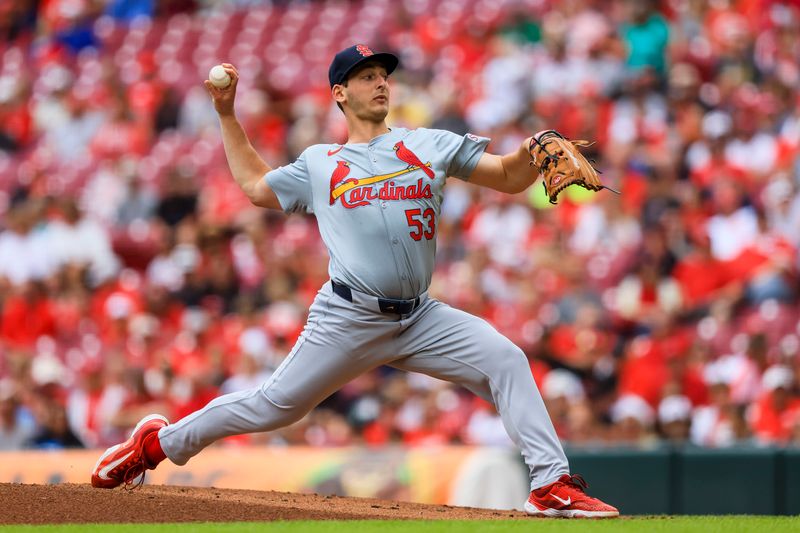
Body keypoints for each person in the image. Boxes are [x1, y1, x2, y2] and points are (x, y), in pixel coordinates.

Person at [90, 44, 619, 518]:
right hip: (349, 314)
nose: (381, 82)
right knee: (276, 406)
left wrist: (533, 152)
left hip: (420, 315)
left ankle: (550, 484)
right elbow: (254, 185)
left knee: (506, 359)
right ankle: (154, 446)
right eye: (366, 76)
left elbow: (506, 175)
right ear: (339, 94)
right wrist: (227, 115)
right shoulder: (322, 163)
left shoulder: (427, 144)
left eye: (383, 74)